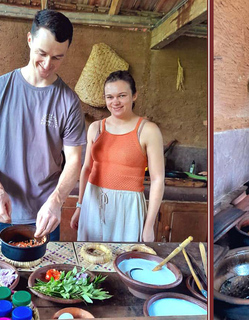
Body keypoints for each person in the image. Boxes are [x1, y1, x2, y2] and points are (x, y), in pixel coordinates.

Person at [0, 10, 86, 241]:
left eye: (58, 57)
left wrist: (57, 200)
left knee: (46, 277)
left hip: (44, 214)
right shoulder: (2, 89)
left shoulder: (68, 102)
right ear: (29, 40)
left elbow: (74, 161)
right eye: (42, 53)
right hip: (2, 210)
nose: (48, 64)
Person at [70, 70, 164, 242]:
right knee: (91, 256)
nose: (115, 102)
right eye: (110, 97)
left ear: (134, 95)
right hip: (93, 200)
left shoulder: (148, 130)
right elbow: (87, 169)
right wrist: (79, 206)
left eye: (122, 95)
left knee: (123, 259)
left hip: (127, 207)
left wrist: (149, 225)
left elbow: (158, 179)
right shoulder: (96, 128)